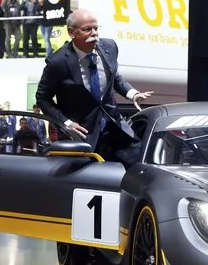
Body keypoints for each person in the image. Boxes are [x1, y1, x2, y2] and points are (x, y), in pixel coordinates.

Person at [35, 9, 153, 168]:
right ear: (71, 32)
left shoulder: (109, 47)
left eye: (96, 28)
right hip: (84, 135)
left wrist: (132, 94)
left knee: (139, 169)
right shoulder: (58, 62)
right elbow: (42, 98)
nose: (94, 34)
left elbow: (113, 75)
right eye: (87, 29)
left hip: (115, 127)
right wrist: (67, 123)